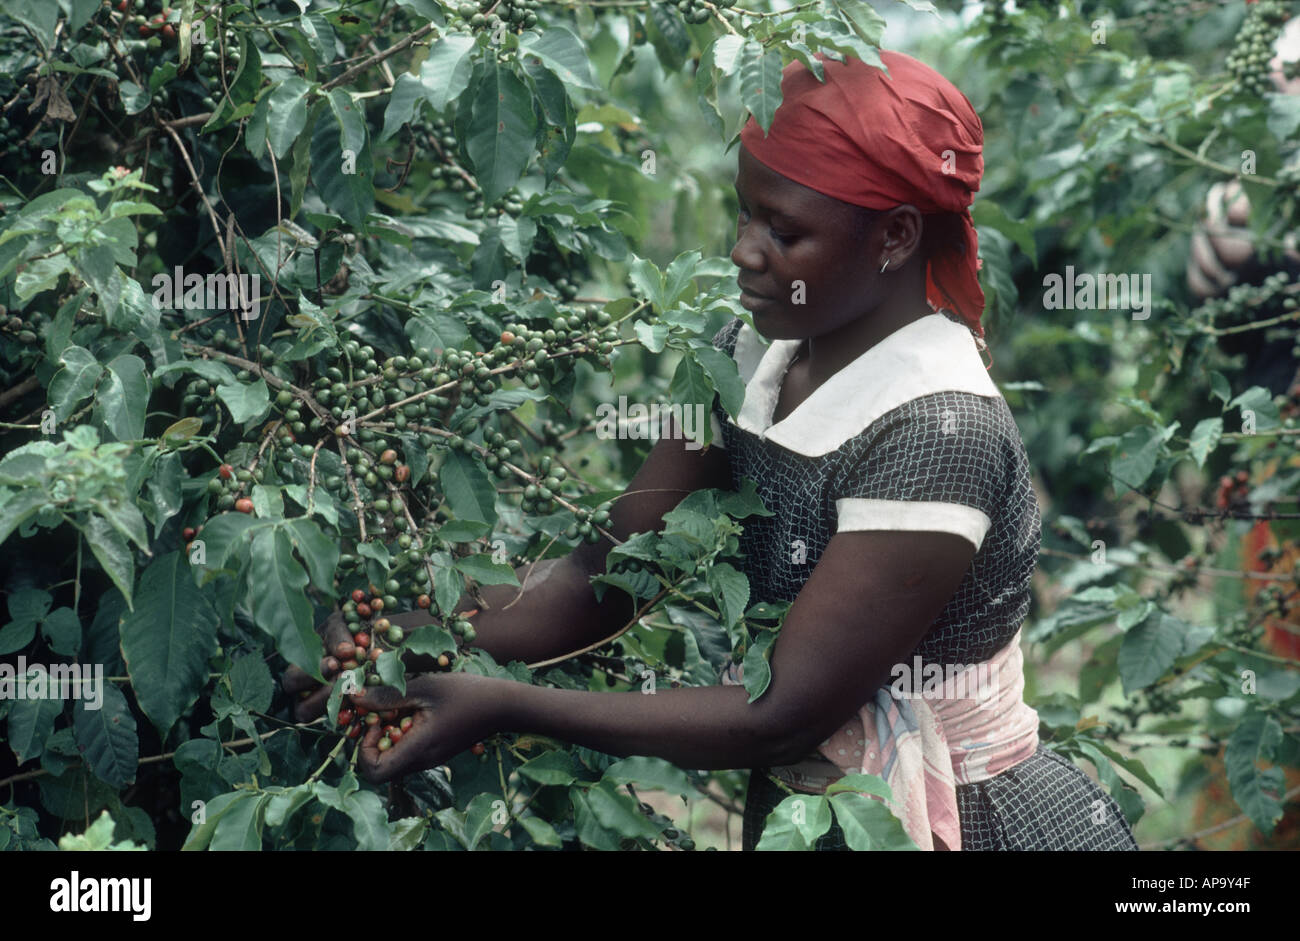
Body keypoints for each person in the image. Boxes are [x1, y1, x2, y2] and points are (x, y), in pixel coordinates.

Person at [286, 49, 1138, 851]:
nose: (742, 251)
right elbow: (613, 572)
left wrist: (504, 706)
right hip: (812, 806)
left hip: (963, 820)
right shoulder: (745, 353)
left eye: (783, 230)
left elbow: (782, 713)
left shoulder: (938, 432)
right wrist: (403, 635)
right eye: (743, 210)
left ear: (895, 237)